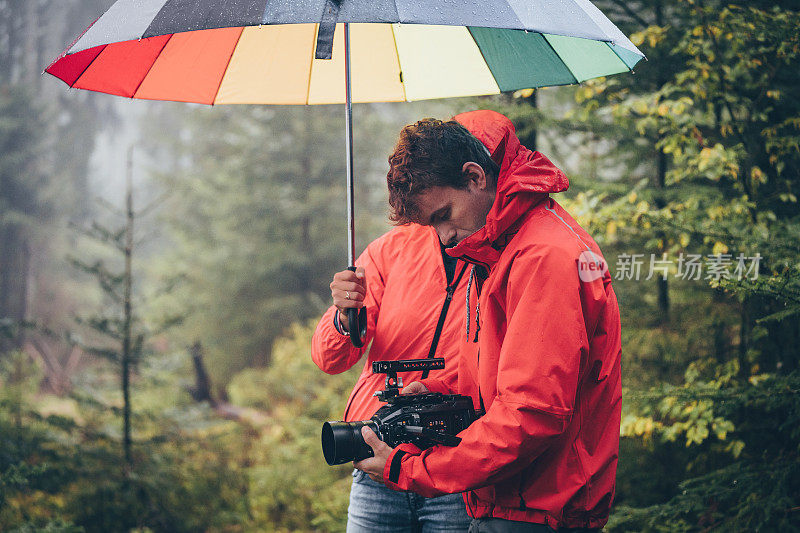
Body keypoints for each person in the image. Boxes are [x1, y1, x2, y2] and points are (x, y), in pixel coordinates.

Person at [354, 110, 622, 532]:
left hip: (538, 511)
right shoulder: (499, 251)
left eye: (443, 215)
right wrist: (437, 390)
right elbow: (502, 375)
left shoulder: (541, 256)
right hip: (505, 503)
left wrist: (412, 470)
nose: (442, 238)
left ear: (476, 177)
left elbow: (531, 415)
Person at [312, 222, 472, 532]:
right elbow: (330, 358)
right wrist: (344, 319)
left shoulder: (497, 254)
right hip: (378, 465)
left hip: (453, 471)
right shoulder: (391, 248)